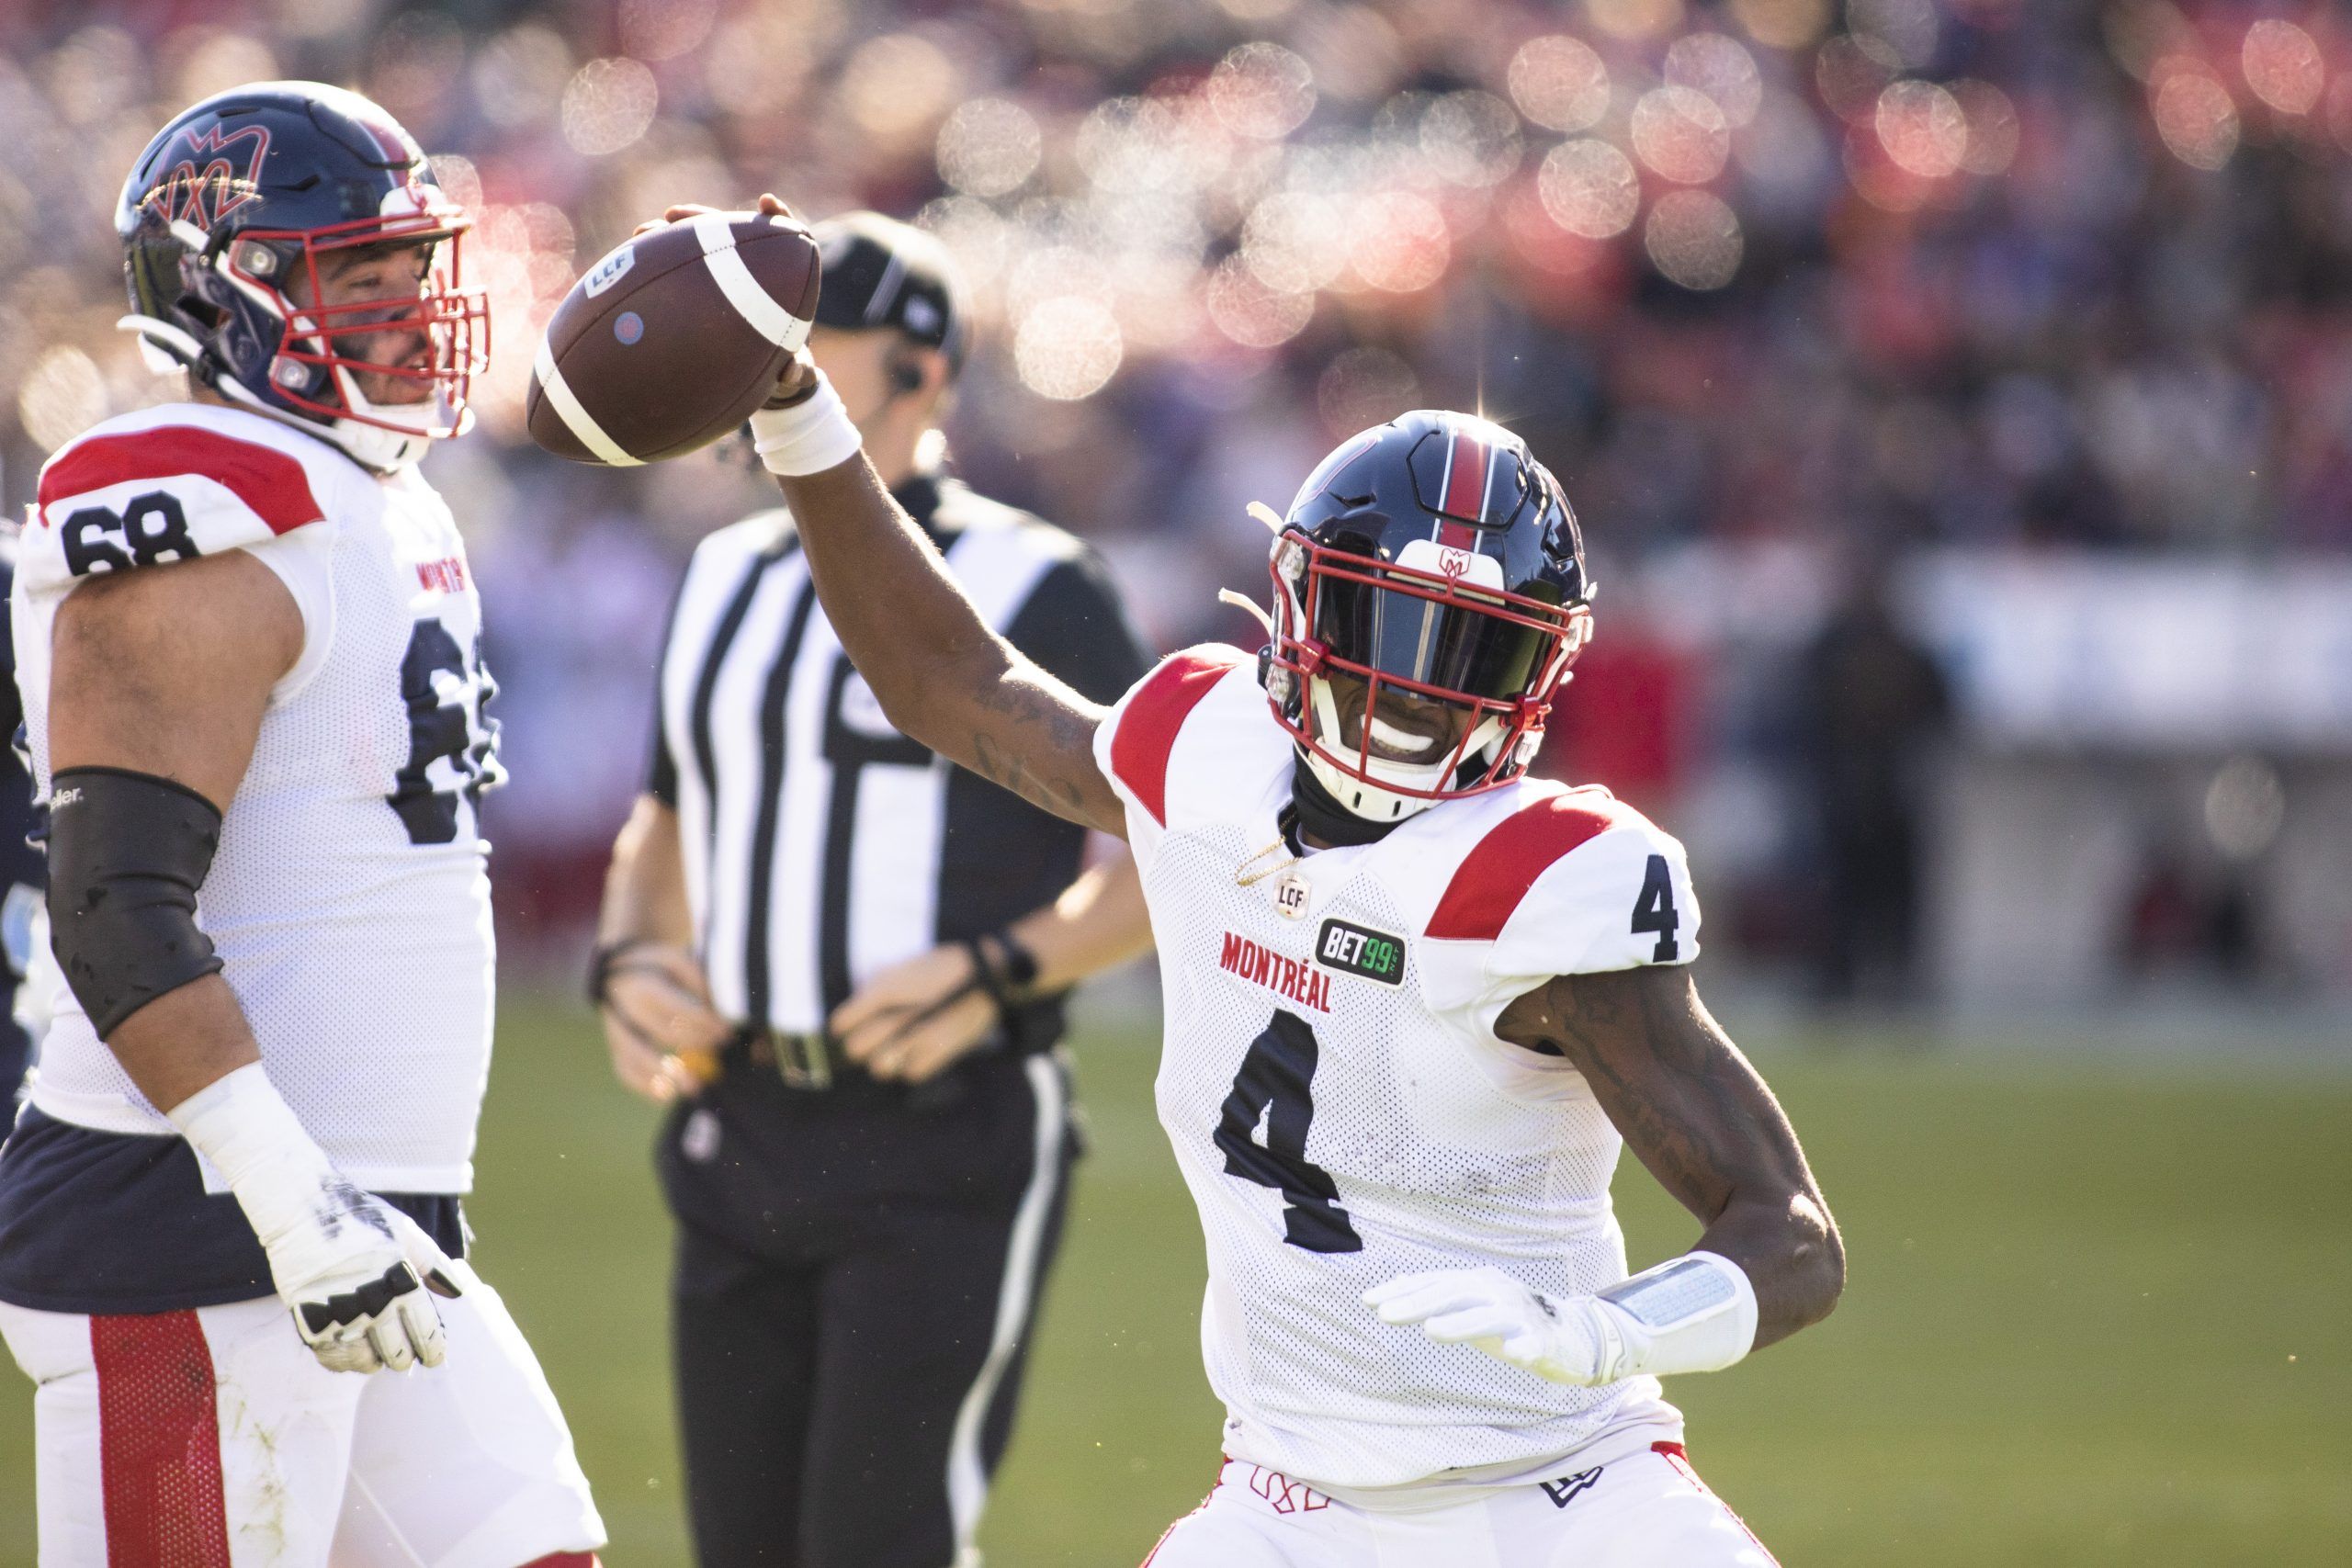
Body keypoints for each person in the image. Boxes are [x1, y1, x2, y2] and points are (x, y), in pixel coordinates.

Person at [679, 191, 1846, 1568]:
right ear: (1297, 602)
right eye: (1387, 624)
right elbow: (953, 682)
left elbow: (1792, 1236)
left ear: (1541, 669)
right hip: (1289, 1502)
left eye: (1471, 647)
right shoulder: (1202, 744)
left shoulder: (1549, 885)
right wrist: (803, 418)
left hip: (1572, 1489)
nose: (1417, 687)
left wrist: (1613, 1330)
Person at [0, 84, 605, 1566]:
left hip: (360, 1222)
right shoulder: (203, 502)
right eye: (360, 274)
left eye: (417, 269)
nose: (409, 311)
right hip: (203, 1223)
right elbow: (117, 908)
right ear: (229, 292)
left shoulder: (374, 493)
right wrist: (290, 1198)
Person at [590, 212, 1156, 1568]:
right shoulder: (722, 570)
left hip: (940, 1134)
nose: (770, 377)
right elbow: (665, 817)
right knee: (744, 1547)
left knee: (878, 1544)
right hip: (739, 1122)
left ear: (923, 373)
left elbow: (1170, 858)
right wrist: (627, 958)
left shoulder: (1037, 578)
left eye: (807, 349)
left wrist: (1000, 971)